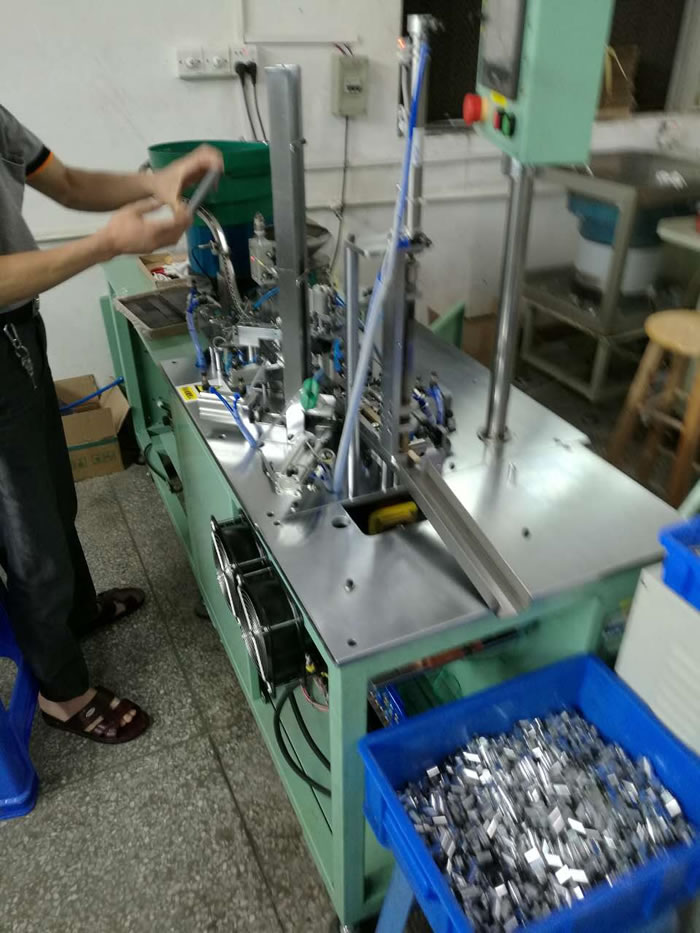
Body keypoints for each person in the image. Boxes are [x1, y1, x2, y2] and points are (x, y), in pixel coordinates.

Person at [0, 103, 223, 744]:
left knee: (56, 495)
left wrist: (155, 182)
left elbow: (68, 183)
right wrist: (105, 244)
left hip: (19, 328)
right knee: (28, 536)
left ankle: (74, 614)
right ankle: (62, 692)